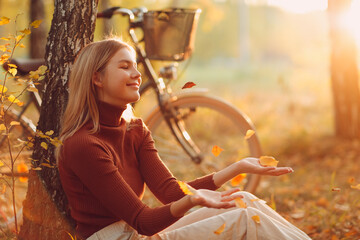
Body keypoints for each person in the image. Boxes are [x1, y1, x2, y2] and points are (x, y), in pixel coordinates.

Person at [57, 38, 310, 240]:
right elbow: (143, 221)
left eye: (135, 65)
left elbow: (169, 192)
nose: (137, 74)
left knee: (242, 200)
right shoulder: (83, 145)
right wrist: (193, 199)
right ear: (97, 78)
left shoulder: (135, 130)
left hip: (138, 234)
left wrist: (237, 167)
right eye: (125, 67)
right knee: (243, 219)